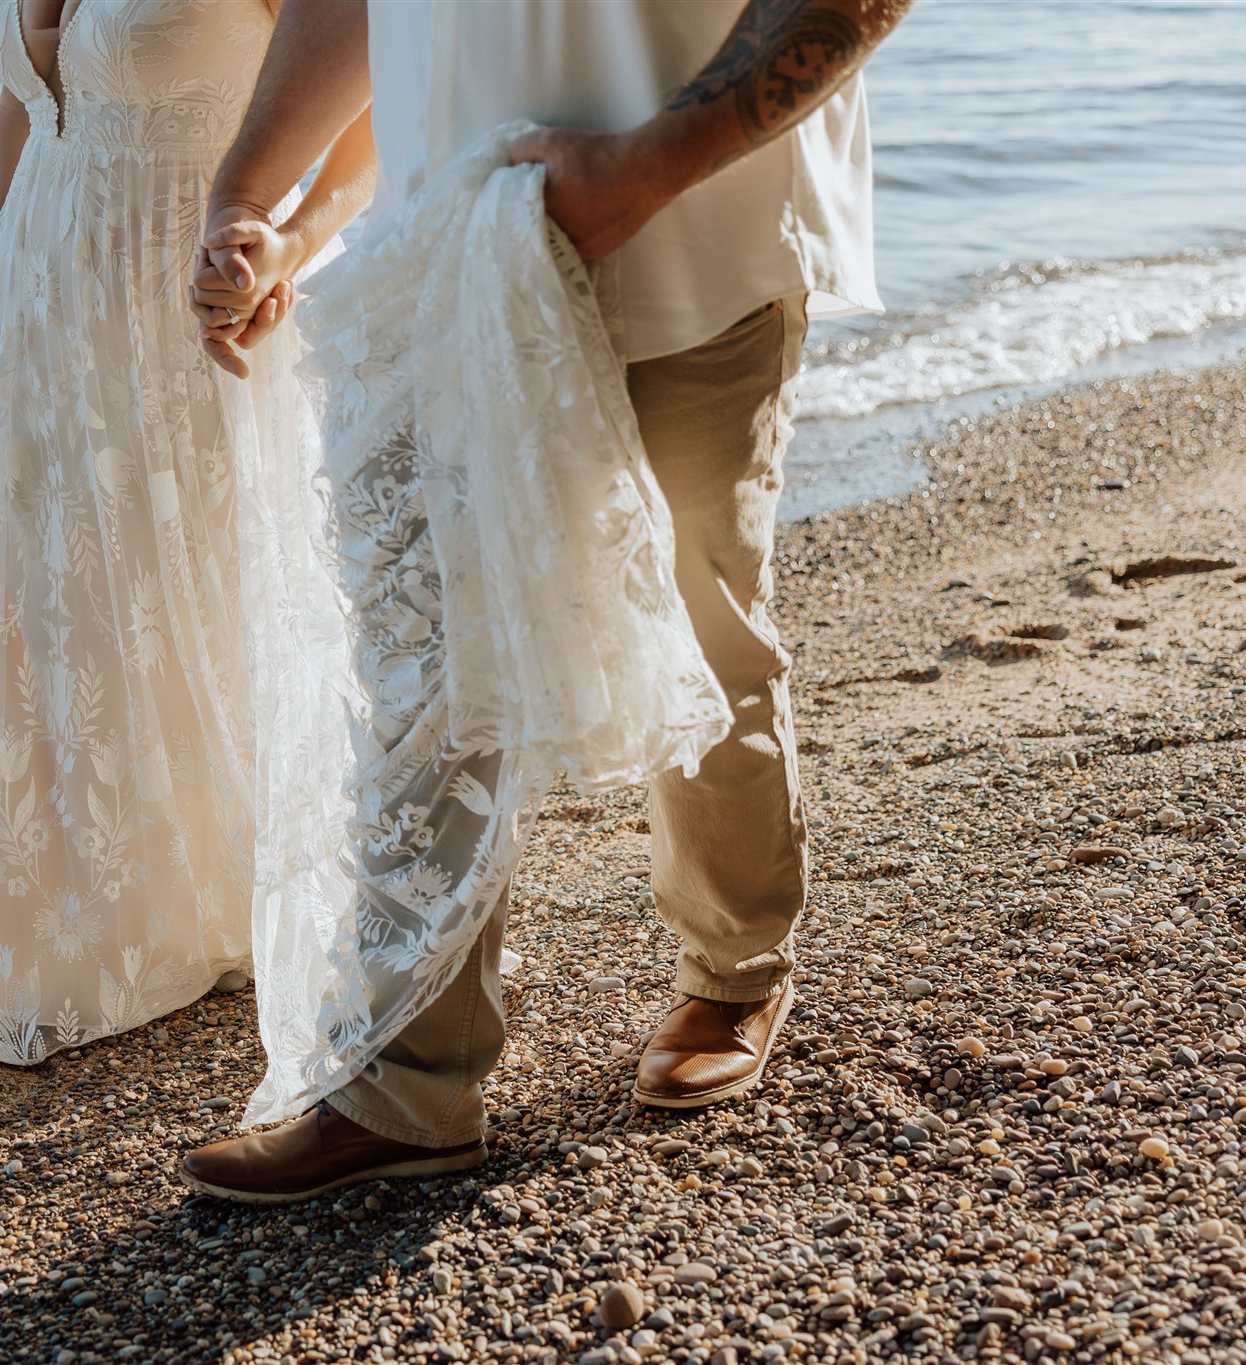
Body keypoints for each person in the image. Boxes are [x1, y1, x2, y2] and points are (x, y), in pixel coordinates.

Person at [180, 0, 911, 1204]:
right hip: (443, 240)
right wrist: (250, 196)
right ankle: (406, 1084)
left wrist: (643, 167)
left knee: (701, 618)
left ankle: (734, 968)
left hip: (694, 232)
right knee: (416, 658)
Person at [0, 0, 373, 1064]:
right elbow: (29, 106)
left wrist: (287, 246)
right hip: (41, 304)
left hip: (174, 311)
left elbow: (379, 102)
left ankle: (220, 904)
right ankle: (91, 928)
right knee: (32, 614)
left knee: (187, 601)